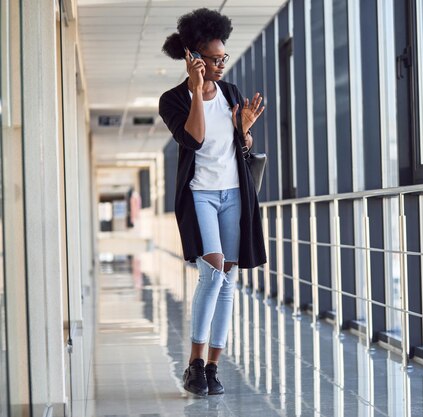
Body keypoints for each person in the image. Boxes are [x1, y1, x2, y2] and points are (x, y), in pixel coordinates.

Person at [159, 8, 266, 396]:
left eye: (224, 57)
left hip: (235, 194)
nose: (222, 65)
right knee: (213, 270)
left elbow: (239, 146)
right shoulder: (172, 100)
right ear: (194, 58)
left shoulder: (232, 94)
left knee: (229, 279)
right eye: (214, 59)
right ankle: (194, 363)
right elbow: (196, 138)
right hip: (200, 195)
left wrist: (245, 133)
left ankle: (213, 368)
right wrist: (196, 88)